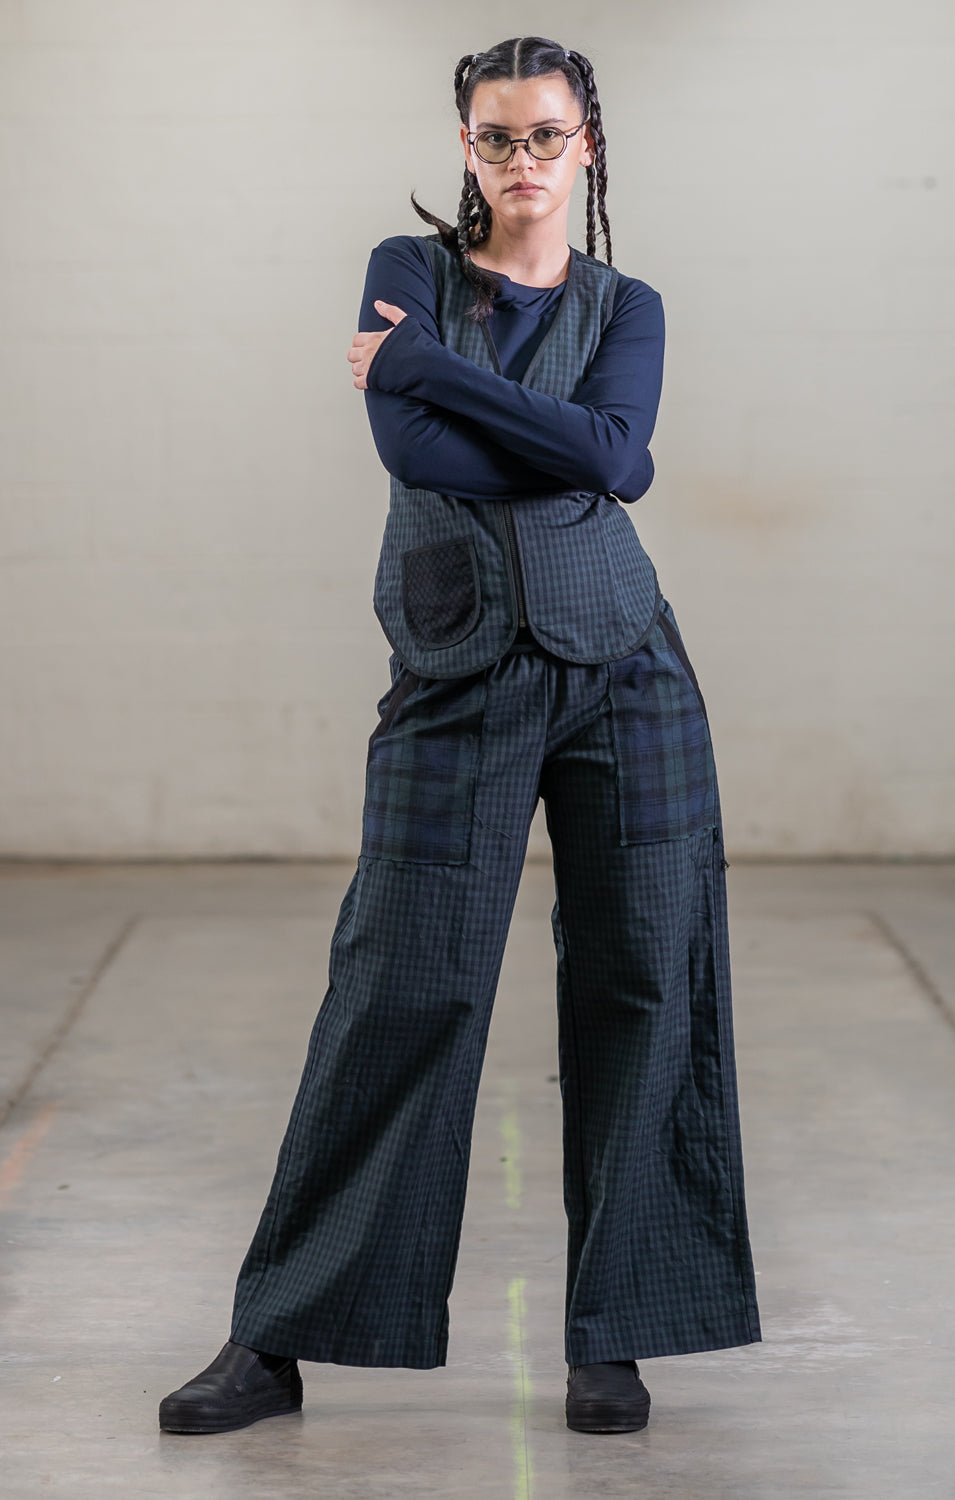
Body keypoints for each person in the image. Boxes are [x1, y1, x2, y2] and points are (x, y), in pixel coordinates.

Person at [159, 34, 761, 1439]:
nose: (521, 160)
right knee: (401, 980)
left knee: (647, 978)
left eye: (547, 135)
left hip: (627, 664)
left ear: (586, 145)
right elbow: (417, 453)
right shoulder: (406, 270)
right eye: (497, 137)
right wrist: (540, 430)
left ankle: (617, 1334)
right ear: (466, 148)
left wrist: (439, 374)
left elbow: (619, 462)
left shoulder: (625, 302)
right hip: (455, 662)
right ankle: (278, 1335)